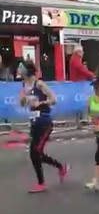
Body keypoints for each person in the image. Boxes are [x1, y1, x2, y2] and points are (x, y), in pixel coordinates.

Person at [19, 61, 67, 193]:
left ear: (27, 71)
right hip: (35, 123)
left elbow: (54, 99)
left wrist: (40, 103)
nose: (19, 71)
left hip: (45, 123)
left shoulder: (39, 84)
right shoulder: (25, 86)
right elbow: (22, 103)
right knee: (35, 154)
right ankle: (60, 167)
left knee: (36, 152)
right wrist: (24, 98)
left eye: (21, 69)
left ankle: (42, 183)